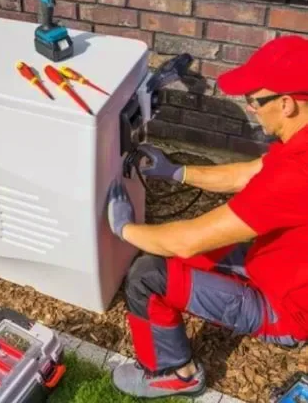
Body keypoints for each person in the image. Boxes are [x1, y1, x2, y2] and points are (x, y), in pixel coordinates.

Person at [106, 34, 308, 399]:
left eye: (255, 100)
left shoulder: (298, 173)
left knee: (146, 277)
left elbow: (187, 241)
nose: (251, 108)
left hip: (285, 308)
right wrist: (176, 172)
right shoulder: (299, 142)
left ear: (287, 104)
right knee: (170, 254)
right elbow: (246, 173)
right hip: (276, 265)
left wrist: (123, 228)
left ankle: (173, 374)